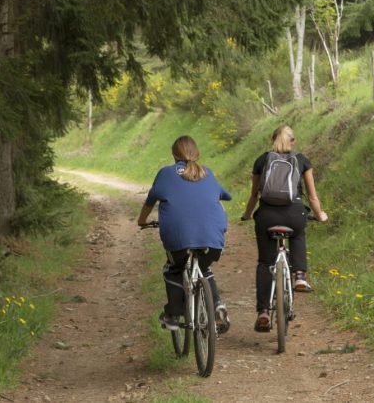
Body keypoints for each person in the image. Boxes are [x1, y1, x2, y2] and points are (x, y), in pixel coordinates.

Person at [138, 135, 232, 333]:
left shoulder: (165, 173)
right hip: (213, 239)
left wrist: (142, 221)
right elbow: (226, 196)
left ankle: (172, 315)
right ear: (196, 153)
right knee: (204, 268)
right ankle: (216, 305)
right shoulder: (207, 172)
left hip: (179, 237)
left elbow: (150, 201)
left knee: (173, 268)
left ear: (174, 154)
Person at [241, 125, 328, 332]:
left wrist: (247, 215)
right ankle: (299, 276)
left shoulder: (262, 160)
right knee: (298, 234)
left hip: (267, 216)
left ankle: (263, 311)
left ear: (272, 140)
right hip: (294, 213)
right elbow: (313, 196)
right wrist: (320, 215)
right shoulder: (302, 160)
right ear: (293, 141)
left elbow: (254, 195)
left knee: (265, 262)